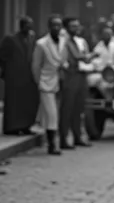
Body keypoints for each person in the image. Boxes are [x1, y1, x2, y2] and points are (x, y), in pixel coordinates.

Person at [0, 16, 39, 135]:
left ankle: (26, 126)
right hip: (14, 77)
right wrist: (8, 68)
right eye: (27, 25)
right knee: (13, 103)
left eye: (31, 25)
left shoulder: (31, 39)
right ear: (22, 26)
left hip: (28, 77)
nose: (29, 28)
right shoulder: (10, 39)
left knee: (27, 102)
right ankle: (12, 128)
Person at [31, 14, 69, 156]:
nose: (57, 28)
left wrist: (64, 66)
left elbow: (64, 59)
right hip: (46, 82)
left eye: (59, 25)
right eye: (54, 25)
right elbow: (35, 65)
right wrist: (39, 82)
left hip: (59, 80)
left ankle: (50, 143)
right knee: (52, 114)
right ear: (49, 27)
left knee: (52, 114)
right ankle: (53, 144)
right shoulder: (41, 44)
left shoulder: (63, 41)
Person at [59, 17, 95, 148]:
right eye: (73, 26)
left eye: (77, 26)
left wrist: (87, 57)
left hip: (81, 76)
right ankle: (63, 139)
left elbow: (84, 57)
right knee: (67, 108)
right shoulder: (65, 41)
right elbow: (77, 56)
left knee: (79, 108)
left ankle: (77, 136)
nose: (76, 28)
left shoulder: (81, 41)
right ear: (67, 28)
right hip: (70, 77)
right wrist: (90, 56)